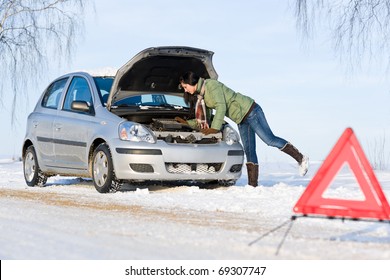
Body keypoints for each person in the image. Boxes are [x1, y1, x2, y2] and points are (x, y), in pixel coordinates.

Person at [176, 71, 309, 187]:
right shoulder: (202, 97)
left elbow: (221, 106)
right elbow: (207, 118)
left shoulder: (211, 85)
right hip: (241, 119)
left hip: (251, 111)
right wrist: (187, 123)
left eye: (185, 87)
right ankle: (253, 186)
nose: (185, 90)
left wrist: (215, 129)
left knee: (269, 139)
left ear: (192, 82)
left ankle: (301, 158)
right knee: (249, 150)